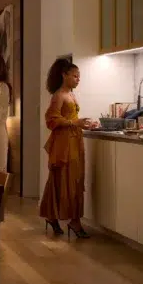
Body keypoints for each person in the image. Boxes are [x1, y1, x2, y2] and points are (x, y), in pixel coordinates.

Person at [39, 58, 94, 238]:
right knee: (64, 180)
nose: (78, 79)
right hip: (64, 143)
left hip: (74, 140)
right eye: (75, 76)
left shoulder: (71, 95)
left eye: (79, 76)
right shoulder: (59, 95)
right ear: (64, 75)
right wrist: (74, 122)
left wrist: (83, 123)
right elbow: (51, 120)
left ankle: (63, 218)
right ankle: (69, 220)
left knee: (75, 180)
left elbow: (71, 118)